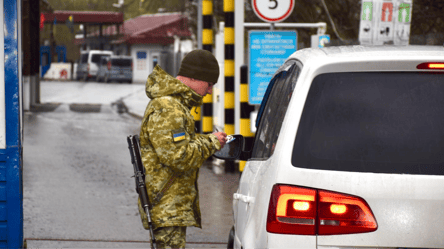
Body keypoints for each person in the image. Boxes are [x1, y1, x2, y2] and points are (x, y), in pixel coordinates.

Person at [137, 49, 227, 249]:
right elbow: (179, 156)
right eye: (209, 84)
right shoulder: (169, 109)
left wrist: (204, 140)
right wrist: (211, 142)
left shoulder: (173, 105)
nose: (210, 90)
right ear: (195, 77)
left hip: (170, 206)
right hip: (167, 206)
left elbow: (178, 146)